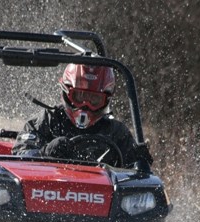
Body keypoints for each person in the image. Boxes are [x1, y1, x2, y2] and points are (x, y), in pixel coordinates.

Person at [12, 63, 153, 167]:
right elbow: (21, 156)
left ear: (106, 100)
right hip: (46, 193)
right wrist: (45, 153)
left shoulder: (116, 132)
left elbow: (133, 177)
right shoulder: (48, 120)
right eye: (79, 97)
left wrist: (140, 162)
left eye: (94, 100)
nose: (86, 106)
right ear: (66, 92)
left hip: (99, 198)